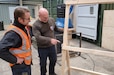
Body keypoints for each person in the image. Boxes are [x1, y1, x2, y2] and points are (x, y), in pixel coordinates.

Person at [0, 7, 32, 75]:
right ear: (20, 19)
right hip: (20, 67)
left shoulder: (23, 27)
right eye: (28, 19)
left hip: (26, 64)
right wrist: (15, 60)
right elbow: (1, 49)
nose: (29, 20)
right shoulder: (13, 34)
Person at [32, 8, 63, 75]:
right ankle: (43, 74)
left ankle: (51, 73)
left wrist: (64, 30)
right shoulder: (36, 25)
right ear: (39, 16)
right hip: (42, 48)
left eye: (47, 16)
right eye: (44, 17)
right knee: (43, 64)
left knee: (53, 60)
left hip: (51, 46)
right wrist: (50, 40)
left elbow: (56, 29)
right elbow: (38, 37)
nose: (46, 18)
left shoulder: (51, 20)